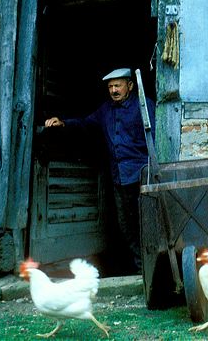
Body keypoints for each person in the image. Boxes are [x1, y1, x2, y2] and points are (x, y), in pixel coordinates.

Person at [44, 67, 154, 274]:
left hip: (143, 175)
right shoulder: (105, 110)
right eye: (110, 86)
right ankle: (141, 270)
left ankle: (154, 269)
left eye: (118, 85)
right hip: (119, 178)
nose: (113, 90)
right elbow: (86, 124)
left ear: (130, 85)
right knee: (126, 226)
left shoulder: (144, 105)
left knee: (147, 223)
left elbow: (157, 136)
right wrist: (63, 123)